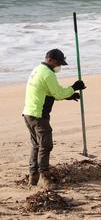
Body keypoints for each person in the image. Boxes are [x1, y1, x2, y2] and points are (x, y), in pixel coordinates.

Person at [22, 49, 86, 187]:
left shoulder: (37, 70)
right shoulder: (48, 73)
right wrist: (74, 87)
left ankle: (33, 177)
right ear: (50, 59)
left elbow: (47, 93)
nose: (59, 66)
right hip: (39, 116)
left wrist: (69, 96)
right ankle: (45, 178)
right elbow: (57, 93)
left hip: (28, 113)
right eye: (58, 63)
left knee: (36, 145)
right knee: (46, 145)